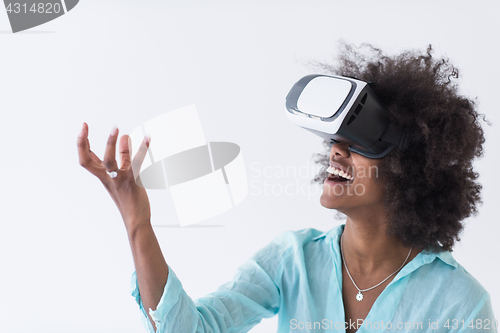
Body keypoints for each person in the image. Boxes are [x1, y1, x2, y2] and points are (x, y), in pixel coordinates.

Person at [77, 43, 497, 333]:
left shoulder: (461, 304)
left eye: (357, 145)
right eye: (334, 141)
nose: (336, 153)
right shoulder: (293, 260)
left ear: (409, 168)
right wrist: (138, 223)